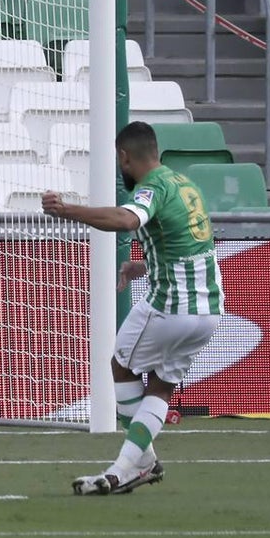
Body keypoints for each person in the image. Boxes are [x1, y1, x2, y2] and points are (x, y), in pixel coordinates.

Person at [42, 121, 223, 495]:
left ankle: (129, 465)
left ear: (125, 157)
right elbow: (189, 242)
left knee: (120, 367)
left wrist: (68, 210)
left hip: (172, 306)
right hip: (209, 311)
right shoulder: (184, 183)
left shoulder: (151, 188)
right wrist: (144, 265)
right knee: (161, 386)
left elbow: (127, 219)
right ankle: (140, 464)